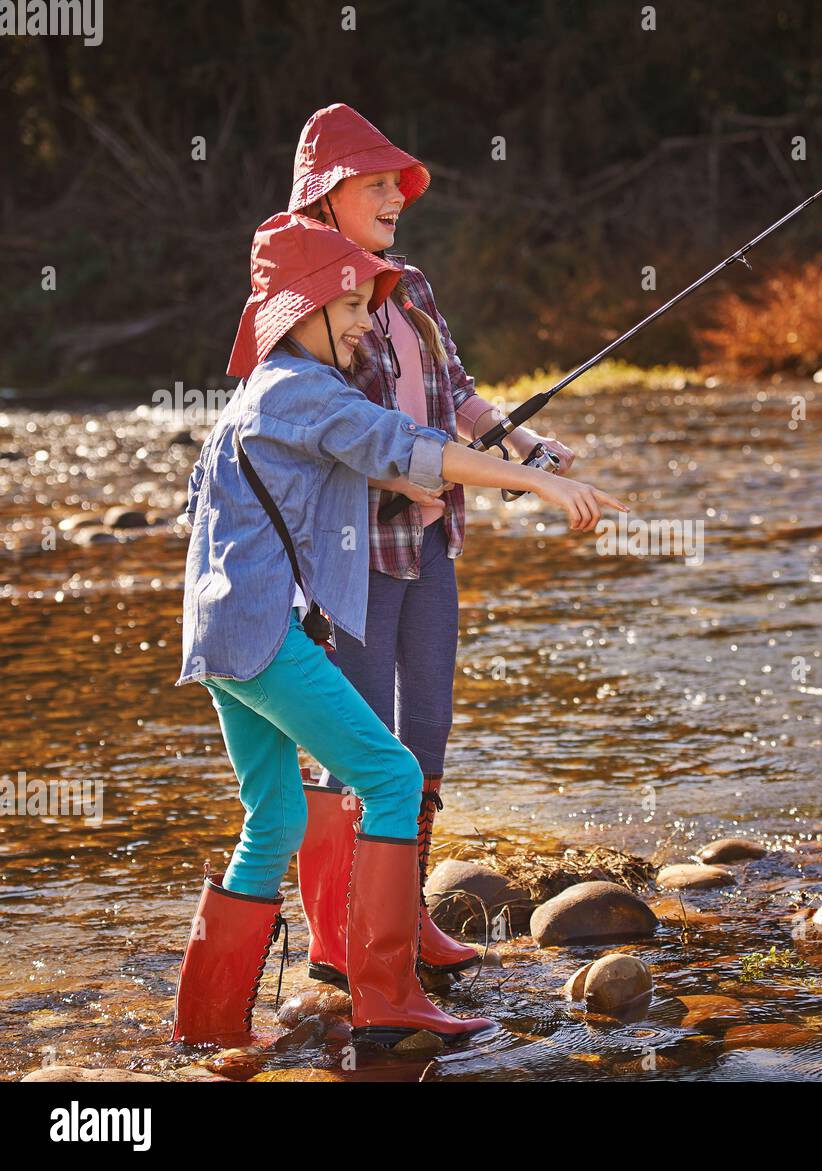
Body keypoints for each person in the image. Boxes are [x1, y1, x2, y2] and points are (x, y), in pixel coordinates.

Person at [171, 212, 627, 1049]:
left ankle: (205, 1032)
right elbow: (412, 446)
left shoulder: (258, 391)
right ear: (298, 311)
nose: (359, 321)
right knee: (389, 774)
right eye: (346, 306)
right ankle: (387, 995)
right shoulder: (306, 391)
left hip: (221, 636)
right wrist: (539, 482)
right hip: (266, 636)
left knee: (271, 819)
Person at [285, 104, 580, 987]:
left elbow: (457, 392)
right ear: (326, 197)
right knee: (361, 743)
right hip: (357, 555)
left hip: (434, 541)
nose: (393, 199)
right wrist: (394, 475)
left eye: (396, 186)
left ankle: (402, 916)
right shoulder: (304, 299)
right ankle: (346, 940)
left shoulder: (409, 284)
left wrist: (527, 445)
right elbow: (316, 429)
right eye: (375, 185)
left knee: (427, 734)